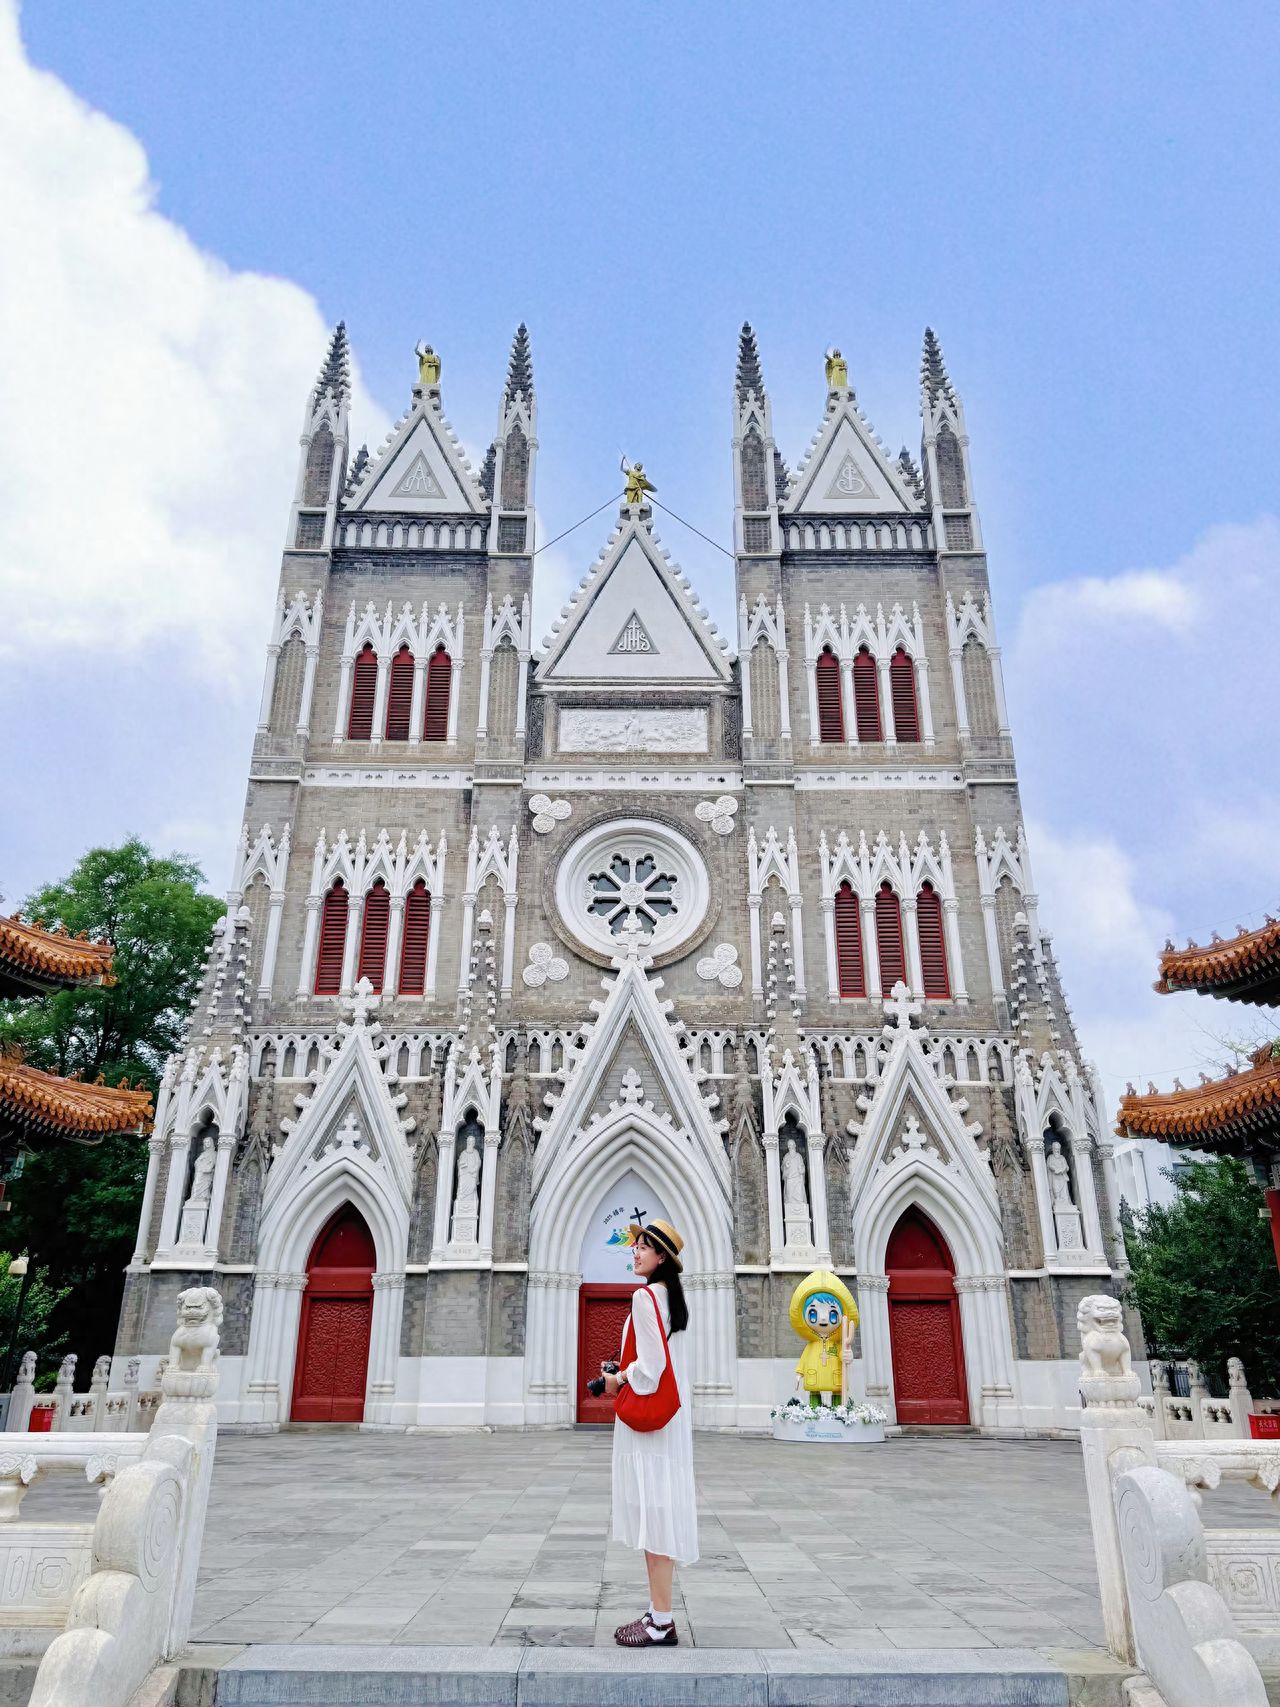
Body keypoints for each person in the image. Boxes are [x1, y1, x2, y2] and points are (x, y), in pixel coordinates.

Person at [603, 1217, 697, 1646]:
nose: (635, 1251)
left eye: (644, 1247)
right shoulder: (670, 1300)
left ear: (662, 1258)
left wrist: (617, 1379)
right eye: (635, 1244)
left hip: (649, 1424)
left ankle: (660, 1621)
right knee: (660, 1510)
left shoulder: (645, 1297)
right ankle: (659, 1611)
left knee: (654, 1514)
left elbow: (652, 1368)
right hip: (670, 1424)